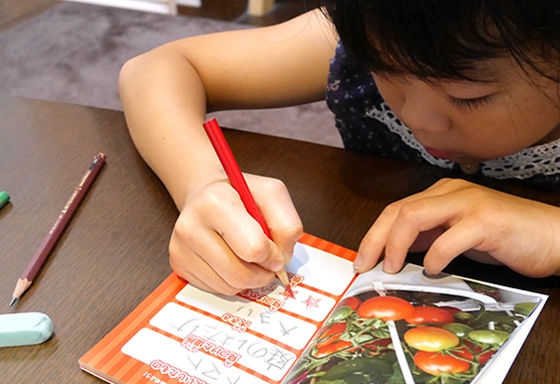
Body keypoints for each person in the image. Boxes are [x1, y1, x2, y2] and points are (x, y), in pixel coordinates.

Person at [119, 0, 560, 295]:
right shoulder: (377, 28)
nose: (419, 118)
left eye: (467, 97)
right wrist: (201, 182)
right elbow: (154, 69)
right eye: (384, 70)